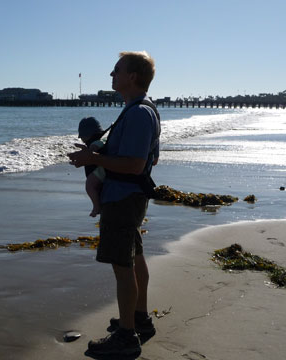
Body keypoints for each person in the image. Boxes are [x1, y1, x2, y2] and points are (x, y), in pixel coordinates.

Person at [68, 51, 160, 356]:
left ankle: (126, 336)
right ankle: (138, 319)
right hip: (129, 197)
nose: (111, 75)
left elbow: (134, 164)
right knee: (134, 258)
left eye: (116, 70)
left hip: (123, 198)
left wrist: (92, 158)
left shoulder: (137, 113)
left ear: (132, 76)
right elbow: (149, 158)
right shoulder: (140, 110)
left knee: (123, 267)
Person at [78, 117, 106, 217]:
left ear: (86, 135)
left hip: (104, 169)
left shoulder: (94, 143)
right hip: (106, 166)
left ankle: (96, 206)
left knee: (90, 185)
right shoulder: (104, 137)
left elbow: (95, 148)